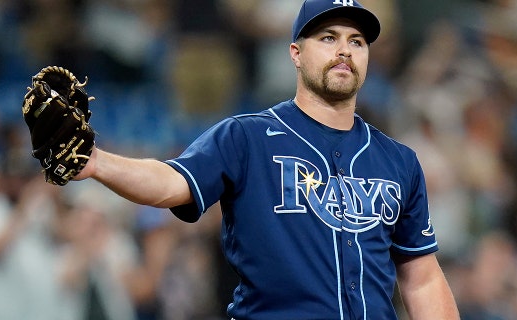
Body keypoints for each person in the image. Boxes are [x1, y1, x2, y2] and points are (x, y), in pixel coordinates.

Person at [75, 0, 460, 319]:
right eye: (329, 38)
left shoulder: (398, 161)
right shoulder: (247, 137)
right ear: (296, 52)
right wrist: (97, 162)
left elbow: (421, 277)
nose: (345, 50)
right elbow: (170, 183)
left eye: (357, 41)